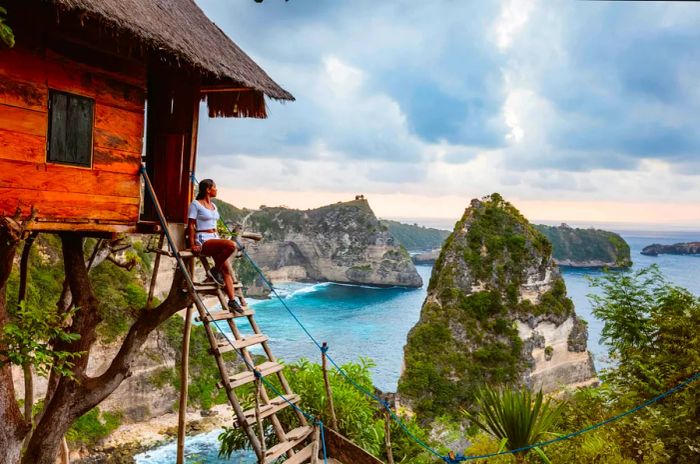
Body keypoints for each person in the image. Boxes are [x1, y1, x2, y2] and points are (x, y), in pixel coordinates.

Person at [187, 179, 246, 312]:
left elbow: (214, 224)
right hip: (203, 239)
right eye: (215, 187)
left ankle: (232, 301)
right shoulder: (196, 204)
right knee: (231, 245)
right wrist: (192, 244)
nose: (216, 190)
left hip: (215, 237)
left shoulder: (214, 206)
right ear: (208, 189)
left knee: (226, 271)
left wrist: (218, 238)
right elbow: (191, 225)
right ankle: (214, 271)